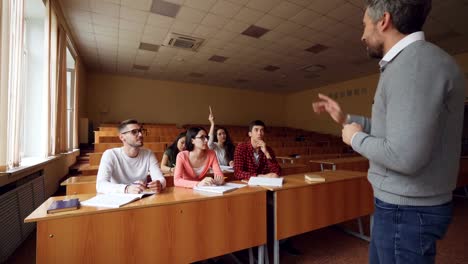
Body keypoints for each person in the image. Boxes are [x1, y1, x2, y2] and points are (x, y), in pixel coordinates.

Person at [312, 1, 465, 263]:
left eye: (364, 25)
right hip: (406, 207)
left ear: (383, 21)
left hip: (405, 210)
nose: (362, 35)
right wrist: (346, 118)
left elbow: (404, 156)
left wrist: (355, 138)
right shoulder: (415, 61)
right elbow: (396, 131)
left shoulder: (412, 67)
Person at [96, 119, 166, 194]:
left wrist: (159, 184)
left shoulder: (148, 154)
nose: (140, 135)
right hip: (118, 200)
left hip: (141, 199)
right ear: (122, 137)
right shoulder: (110, 155)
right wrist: (126, 188)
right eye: (134, 132)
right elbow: (100, 185)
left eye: (140, 131)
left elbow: (160, 178)